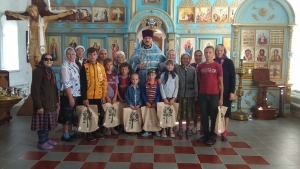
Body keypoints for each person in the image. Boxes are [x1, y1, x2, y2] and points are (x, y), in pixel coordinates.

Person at [5, 5, 74, 69]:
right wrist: (11, 14)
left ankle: (40, 78)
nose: (32, 14)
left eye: (33, 11)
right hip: (31, 43)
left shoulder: (44, 19)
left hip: (39, 44)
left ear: (37, 11)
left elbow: (57, 16)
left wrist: (67, 13)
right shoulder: (29, 20)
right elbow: (19, 16)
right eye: (30, 12)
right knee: (31, 61)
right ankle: (35, 78)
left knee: (39, 62)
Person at [31, 53, 60, 150]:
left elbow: (54, 88)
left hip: (50, 102)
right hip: (42, 103)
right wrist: (39, 106)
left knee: (47, 123)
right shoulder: (38, 71)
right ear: (42, 60)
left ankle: (46, 139)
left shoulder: (50, 71)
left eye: (51, 59)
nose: (49, 61)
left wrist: (57, 101)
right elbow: (35, 90)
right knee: (42, 124)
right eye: (46, 59)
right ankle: (41, 142)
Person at [197, 46, 223, 146]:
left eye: (210, 52)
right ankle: (205, 135)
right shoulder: (200, 67)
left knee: (213, 116)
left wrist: (220, 98)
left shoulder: (217, 66)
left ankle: (212, 136)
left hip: (214, 94)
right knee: (204, 116)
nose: (208, 54)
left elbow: (221, 84)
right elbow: (200, 79)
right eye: (206, 52)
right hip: (203, 94)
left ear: (213, 54)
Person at [80, 47, 106, 141]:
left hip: (98, 96)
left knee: (98, 114)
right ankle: (89, 133)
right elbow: (82, 84)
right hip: (88, 96)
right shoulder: (84, 67)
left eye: (94, 54)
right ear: (87, 56)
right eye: (90, 55)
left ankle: (96, 131)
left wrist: (103, 95)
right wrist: (84, 97)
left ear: (97, 55)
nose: (92, 56)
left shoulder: (101, 67)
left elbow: (104, 82)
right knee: (89, 115)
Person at [58, 47, 81, 142]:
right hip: (67, 95)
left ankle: (70, 132)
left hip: (75, 93)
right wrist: (70, 98)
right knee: (67, 114)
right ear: (65, 55)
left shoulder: (73, 65)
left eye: (73, 54)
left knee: (72, 114)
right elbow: (66, 83)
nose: (71, 56)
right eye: (69, 54)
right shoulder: (64, 66)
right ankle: (65, 134)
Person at [214, 45, 236, 142]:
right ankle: (215, 130)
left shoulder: (229, 62)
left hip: (227, 91)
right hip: (215, 91)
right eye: (217, 50)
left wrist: (232, 92)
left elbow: (233, 78)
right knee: (215, 112)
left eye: (221, 50)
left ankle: (224, 132)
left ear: (224, 51)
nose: (219, 52)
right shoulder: (213, 61)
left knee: (226, 112)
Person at [175, 53, 198, 137]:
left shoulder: (193, 69)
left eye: (187, 58)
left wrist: (196, 94)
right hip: (180, 94)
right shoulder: (177, 68)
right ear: (181, 60)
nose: (185, 60)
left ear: (189, 59)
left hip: (190, 94)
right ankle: (180, 128)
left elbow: (195, 82)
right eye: (183, 58)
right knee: (180, 112)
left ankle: (188, 128)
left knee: (189, 113)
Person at [159, 60, 179, 138]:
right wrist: (164, 98)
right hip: (164, 98)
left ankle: (171, 129)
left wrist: (174, 98)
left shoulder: (176, 76)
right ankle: (164, 129)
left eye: (171, 65)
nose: (170, 66)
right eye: (168, 65)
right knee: (164, 113)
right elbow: (161, 87)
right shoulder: (162, 75)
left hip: (172, 98)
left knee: (171, 114)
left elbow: (177, 87)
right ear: (166, 66)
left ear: (173, 66)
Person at [141, 69, 161, 137]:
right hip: (148, 105)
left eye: (152, 75)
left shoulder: (157, 84)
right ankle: (147, 130)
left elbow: (158, 94)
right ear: (147, 76)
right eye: (149, 75)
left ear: (155, 75)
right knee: (147, 117)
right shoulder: (145, 84)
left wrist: (155, 102)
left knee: (155, 117)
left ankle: (156, 130)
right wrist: (146, 102)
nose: (151, 76)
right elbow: (143, 93)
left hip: (154, 105)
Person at [103, 58, 119, 136]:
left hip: (113, 98)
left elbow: (116, 87)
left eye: (111, 64)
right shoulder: (103, 74)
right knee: (108, 111)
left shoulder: (115, 74)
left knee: (113, 111)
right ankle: (107, 128)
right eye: (108, 65)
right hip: (106, 97)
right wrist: (106, 97)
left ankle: (112, 127)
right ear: (105, 66)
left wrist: (115, 96)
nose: (109, 66)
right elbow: (102, 87)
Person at [190, 50, 203, 134]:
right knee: (194, 109)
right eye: (196, 56)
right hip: (193, 90)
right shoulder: (191, 66)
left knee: (202, 109)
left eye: (199, 56)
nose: (198, 57)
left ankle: (201, 126)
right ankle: (194, 126)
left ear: (202, 56)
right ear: (194, 56)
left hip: (202, 90)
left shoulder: (204, 65)